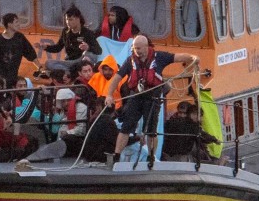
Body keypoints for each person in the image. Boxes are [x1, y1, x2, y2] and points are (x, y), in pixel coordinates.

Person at [105, 35, 198, 164]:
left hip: (152, 98)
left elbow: (176, 57)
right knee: (126, 127)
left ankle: (151, 156)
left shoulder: (159, 57)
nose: (137, 51)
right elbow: (117, 78)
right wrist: (109, 95)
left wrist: (192, 58)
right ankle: (116, 155)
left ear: (146, 47)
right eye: (135, 48)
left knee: (151, 131)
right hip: (136, 97)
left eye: (139, 48)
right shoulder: (130, 61)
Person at [0, 12, 41, 87]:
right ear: (9, 24)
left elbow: (30, 53)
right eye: (16, 22)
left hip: (13, 79)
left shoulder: (20, 38)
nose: (19, 24)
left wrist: (40, 67)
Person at [54, 88, 89, 157]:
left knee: (67, 138)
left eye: (69, 100)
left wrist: (68, 132)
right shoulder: (63, 111)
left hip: (76, 139)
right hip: (62, 140)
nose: (66, 103)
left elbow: (82, 130)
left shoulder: (81, 108)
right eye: (63, 101)